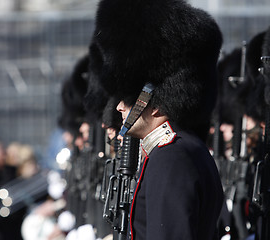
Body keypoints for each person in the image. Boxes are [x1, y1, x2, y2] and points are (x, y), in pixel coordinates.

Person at [88, 0, 224, 239]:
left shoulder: (171, 157)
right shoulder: (177, 150)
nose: (119, 106)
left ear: (158, 104)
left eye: (129, 98)